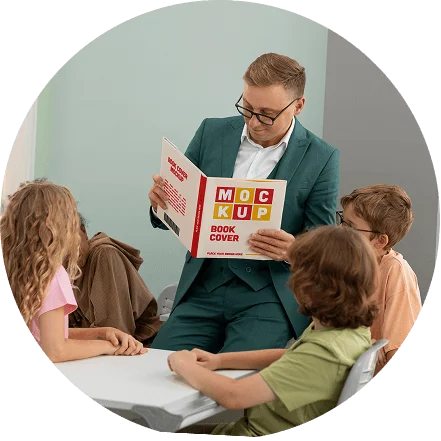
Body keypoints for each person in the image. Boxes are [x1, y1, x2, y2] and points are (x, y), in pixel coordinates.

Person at [148, 52, 340, 353]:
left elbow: (324, 243)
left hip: (269, 298)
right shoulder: (211, 132)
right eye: (247, 108)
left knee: (234, 377)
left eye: (266, 114)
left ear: (298, 106)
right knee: (158, 366)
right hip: (203, 289)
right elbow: (178, 205)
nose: (253, 121)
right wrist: (162, 203)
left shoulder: (322, 157)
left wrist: (294, 250)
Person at [167, 225, 380, 437]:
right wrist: (220, 360)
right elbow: (291, 356)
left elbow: (234, 396)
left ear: (308, 287)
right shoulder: (347, 333)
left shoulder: (326, 351)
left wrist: (184, 365)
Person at [0, 178, 147, 363]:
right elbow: (55, 350)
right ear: (63, 230)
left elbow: (46, 334)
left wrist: (103, 333)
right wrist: (108, 347)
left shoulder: (18, 271)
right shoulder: (52, 275)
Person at [338, 184, 423, 376]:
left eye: (350, 226)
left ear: (380, 241)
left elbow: (396, 349)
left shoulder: (397, 272)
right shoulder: (348, 263)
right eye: (342, 220)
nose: (340, 229)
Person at [69, 213, 162, 347]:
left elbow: (114, 339)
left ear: (83, 231)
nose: (67, 248)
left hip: (143, 348)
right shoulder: (63, 270)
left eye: (70, 236)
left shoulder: (104, 255)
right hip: (98, 352)